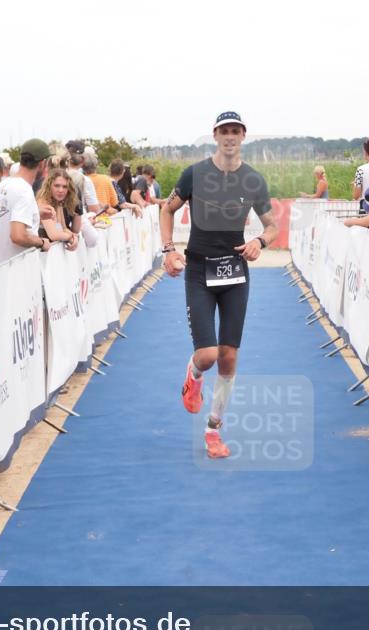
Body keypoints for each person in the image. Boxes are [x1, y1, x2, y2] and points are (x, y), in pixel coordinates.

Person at [159, 111, 278, 459]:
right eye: (224, 131)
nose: (230, 137)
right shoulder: (194, 174)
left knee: (228, 358)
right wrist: (168, 250)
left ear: (243, 136)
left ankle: (214, 431)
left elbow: (271, 226)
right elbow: (166, 210)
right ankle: (194, 373)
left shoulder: (253, 180)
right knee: (208, 355)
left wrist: (260, 242)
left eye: (235, 131)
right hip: (198, 271)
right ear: (215, 135)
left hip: (235, 273)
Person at [0, 138, 54, 266]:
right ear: (42, 164)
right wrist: (41, 242)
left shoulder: (2, 185)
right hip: (17, 272)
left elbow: (5, 217)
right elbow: (18, 236)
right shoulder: (24, 190)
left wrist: (35, 214)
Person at [36, 168, 82, 250]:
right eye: (57, 186)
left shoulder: (58, 202)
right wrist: (71, 237)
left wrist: (74, 238)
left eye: (64, 187)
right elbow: (54, 235)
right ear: (49, 186)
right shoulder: (43, 203)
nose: (61, 190)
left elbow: (63, 227)